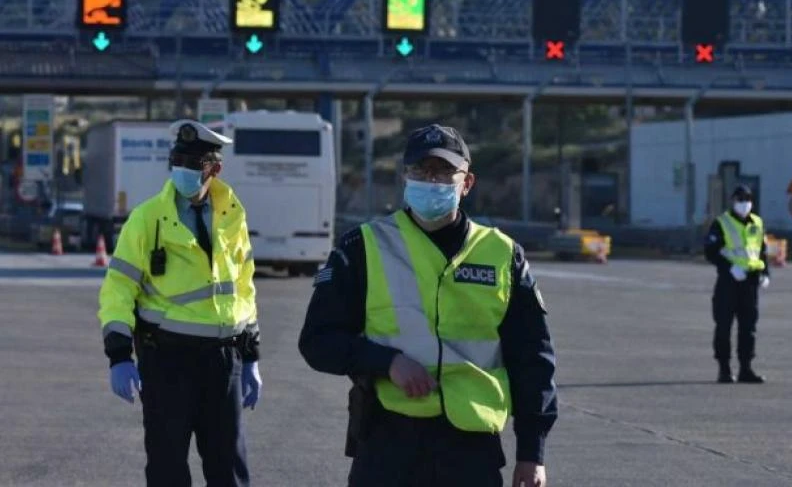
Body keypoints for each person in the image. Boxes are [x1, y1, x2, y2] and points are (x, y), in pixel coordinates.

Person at [299, 123, 557, 487]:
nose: (432, 180)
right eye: (421, 170)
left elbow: (533, 357)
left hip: (471, 448)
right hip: (387, 441)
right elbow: (317, 342)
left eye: (444, 171)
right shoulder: (362, 247)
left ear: (466, 183)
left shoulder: (503, 254)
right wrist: (386, 362)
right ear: (405, 178)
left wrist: (533, 453)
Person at [97, 119, 263, 487]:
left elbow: (243, 287)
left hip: (223, 361)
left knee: (229, 469)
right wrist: (119, 355)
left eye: (194, 164)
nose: (183, 170)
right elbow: (118, 290)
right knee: (167, 467)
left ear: (214, 169)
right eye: (178, 160)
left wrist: (251, 356)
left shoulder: (233, 215)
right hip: (168, 360)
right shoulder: (146, 219)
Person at [703, 184, 770, 384]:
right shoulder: (721, 223)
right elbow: (711, 252)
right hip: (728, 282)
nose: (744, 203)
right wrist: (729, 268)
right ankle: (724, 369)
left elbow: (761, 251)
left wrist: (765, 273)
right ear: (733, 201)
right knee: (724, 325)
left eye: (748, 199)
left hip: (749, 282)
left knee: (748, 327)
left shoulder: (757, 222)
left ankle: (746, 369)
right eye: (740, 199)